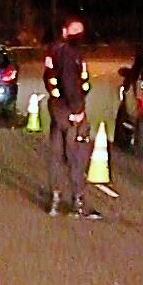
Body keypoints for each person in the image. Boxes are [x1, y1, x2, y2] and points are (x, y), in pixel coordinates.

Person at [42, 16, 101, 219]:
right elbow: (70, 84)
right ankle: (77, 201)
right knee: (76, 155)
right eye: (75, 30)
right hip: (69, 111)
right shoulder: (68, 54)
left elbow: (53, 81)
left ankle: (55, 199)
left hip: (57, 110)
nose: (78, 34)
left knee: (57, 154)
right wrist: (77, 110)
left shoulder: (54, 51)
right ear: (65, 31)